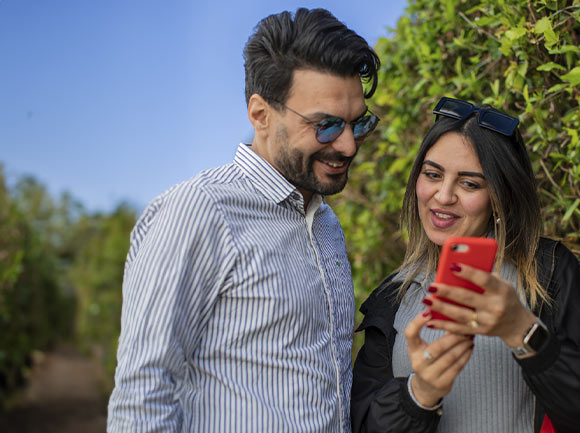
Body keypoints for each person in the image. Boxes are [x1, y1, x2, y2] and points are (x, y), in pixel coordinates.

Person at [107, 8, 380, 432]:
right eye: (325, 125)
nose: (347, 146)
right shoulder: (197, 211)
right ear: (260, 114)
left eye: (357, 123)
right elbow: (143, 394)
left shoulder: (325, 224)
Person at [350, 97, 580, 433]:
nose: (443, 195)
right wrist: (418, 394)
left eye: (470, 183)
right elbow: (364, 425)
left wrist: (522, 332)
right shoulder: (394, 296)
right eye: (433, 174)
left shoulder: (548, 273)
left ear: (499, 195)